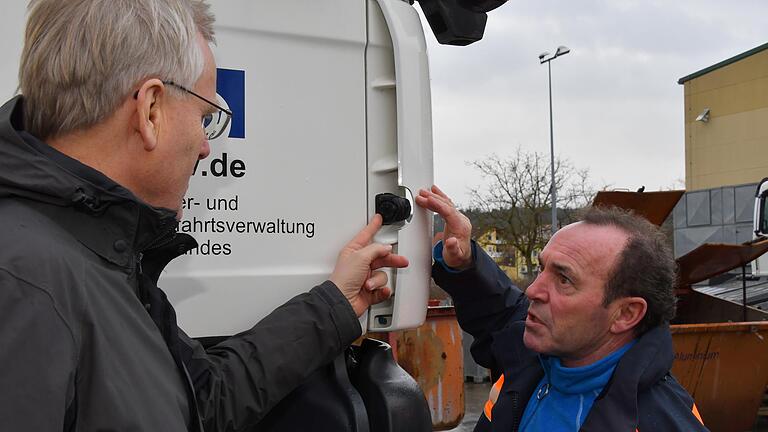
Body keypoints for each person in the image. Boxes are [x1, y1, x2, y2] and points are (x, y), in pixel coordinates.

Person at [0, 1, 407, 431]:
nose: (205, 146)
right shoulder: (22, 285)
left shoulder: (94, 258)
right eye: (205, 117)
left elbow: (203, 401)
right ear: (150, 110)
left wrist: (335, 304)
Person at [415, 185, 708, 431]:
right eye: (542, 269)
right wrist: (465, 263)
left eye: (564, 279)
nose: (532, 290)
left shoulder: (660, 421)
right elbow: (502, 310)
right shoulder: (542, 352)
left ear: (625, 314)